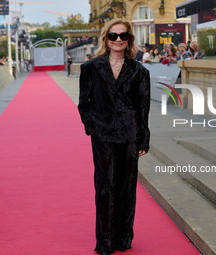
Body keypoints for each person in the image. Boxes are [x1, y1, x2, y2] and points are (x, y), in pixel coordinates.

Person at [78, 18, 150, 255]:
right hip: (103, 134)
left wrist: (143, 137)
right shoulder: (91, 67)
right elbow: (84, 104)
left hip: (129, 134)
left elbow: (143, 108)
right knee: (105, 185)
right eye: (113, 36)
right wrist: (92, 128)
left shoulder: (140, 71)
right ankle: (105, 241)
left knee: (126, 187)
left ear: (129, 39)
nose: (118, 40)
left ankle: (122, 238)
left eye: (123, 35)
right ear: (106, 40)